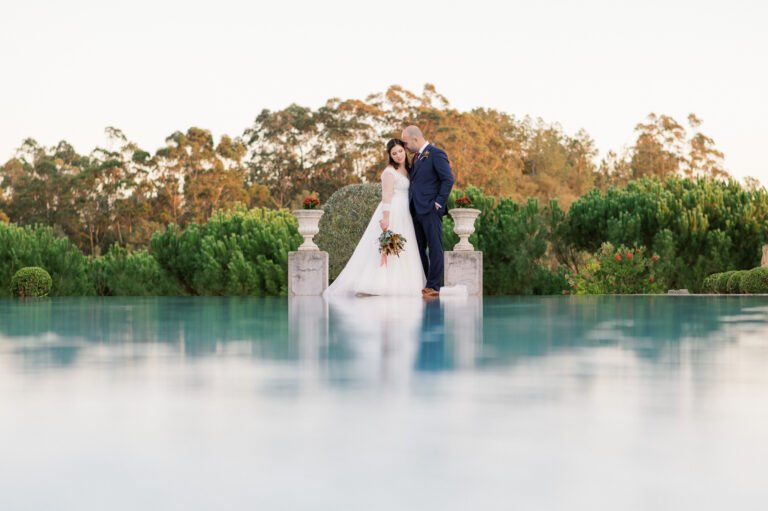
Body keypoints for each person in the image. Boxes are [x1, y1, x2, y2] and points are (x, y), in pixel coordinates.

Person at [323, 139, 426, 297]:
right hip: (393, 211)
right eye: (394, 153)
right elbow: (386, 195)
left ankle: (405, 284)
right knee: (389, 248)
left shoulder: (409, 169)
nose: (398, 155)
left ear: (404, 150)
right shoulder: (389, 172)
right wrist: (386, 218)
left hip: (407, 213)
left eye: (400, 151)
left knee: (405, 249)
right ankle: (378, 284)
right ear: (390, 156)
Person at [400, 125, 454, 298]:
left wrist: (438, 203)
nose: (404, 146)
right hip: (415, 210)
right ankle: (424, 281)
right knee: (418, 249)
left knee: (435, 247)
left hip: (430, 209)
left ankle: (433, 286)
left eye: (406, 142)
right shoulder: (415, 158)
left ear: (415, 139)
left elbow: (448, 179)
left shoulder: (436, 154)